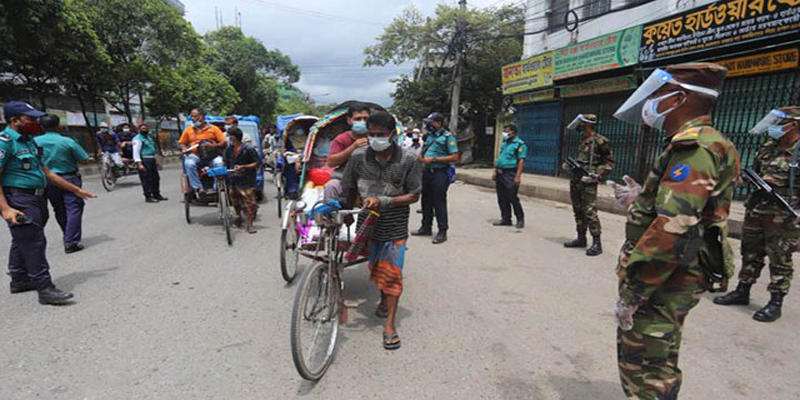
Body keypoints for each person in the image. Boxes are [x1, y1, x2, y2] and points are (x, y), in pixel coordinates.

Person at [609, 63, 739, 399]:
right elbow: (689, 207)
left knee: (646, 368)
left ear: (677, 98)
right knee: (661, 357)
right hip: (676, 272)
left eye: (656, 95)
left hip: (665, 277)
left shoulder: (695, 148)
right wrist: (644, 198)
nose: (650, 103)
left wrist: (633, 294)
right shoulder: (709, 142)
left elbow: (674, 228)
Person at [339, 111, 422, 350]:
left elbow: (414, 195)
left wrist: (384, 201)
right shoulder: (357, 157)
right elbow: (350, 189)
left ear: (393, 134)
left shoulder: (409, 160)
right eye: (372, 134)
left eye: (381, 135)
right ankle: (384, 298)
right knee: (375, 268)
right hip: (366, 225)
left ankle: (389, 325)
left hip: (395, 226)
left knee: (393, 274)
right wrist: (345, 216)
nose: (376, 139)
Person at [1, 101, 97, 305]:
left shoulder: (29, 141)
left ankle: (19, 279)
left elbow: (48, 173)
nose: (36, 122)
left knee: (23, 237)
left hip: (37, 197)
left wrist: (76, 190)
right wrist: (6, 208)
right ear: (14, 120)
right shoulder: (4, 142)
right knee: (34, 241)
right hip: (19, 198)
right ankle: (45, 288)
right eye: (31, 119)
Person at [713, 107, 800, 322]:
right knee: (750, 252)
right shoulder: (768, 147)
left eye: (780, 123)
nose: (774, 127)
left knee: (780, 258)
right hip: (757, 209)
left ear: (794, 125)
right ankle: (743, 290)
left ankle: (775, 302)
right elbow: (756, 173)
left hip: (784, 216)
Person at [35, 114, 89, 253]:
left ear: (41, 126)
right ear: (58, 126)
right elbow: (84, 158)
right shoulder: (67, 141)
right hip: (69, 178)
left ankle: (68, 235)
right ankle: (71, 242)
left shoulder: (34, 142)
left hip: (48, 180)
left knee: (59, 209)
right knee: (74, 208)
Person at [562, 114, 615, 256]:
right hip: (577, 178)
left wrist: (597, 175)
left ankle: (597, 242)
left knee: (589, 211)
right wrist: (569, 166)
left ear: (586, 124)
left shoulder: (601, 141)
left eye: (581, 123)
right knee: (577, 209)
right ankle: (581, 238)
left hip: (589, 181)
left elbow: (609, 162)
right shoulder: (584, 141)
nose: (578, 126)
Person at [412, 112, 458, 244]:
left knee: (439, 202)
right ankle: (425, 227)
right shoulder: (429, 136)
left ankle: (442, 231)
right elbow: (424, 149)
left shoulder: (448, 137)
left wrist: (433, 159)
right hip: (427, 172)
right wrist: (421, 157)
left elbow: (454, 157)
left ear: (438, 123)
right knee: (426, 201)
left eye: (430, 123)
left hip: (440, 172)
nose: (428, 125)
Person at [324, 103, 371, 199]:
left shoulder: (376, 136)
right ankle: (331, 213)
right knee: (331, 187)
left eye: (365, 119)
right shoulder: (341, 139)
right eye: (358, 119)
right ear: (349, 121)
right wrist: (353, 147)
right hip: (344, 176)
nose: (362, 122)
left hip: (371, 177)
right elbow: (331, 162)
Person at [179, 108, 226, 197]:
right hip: (196, 155)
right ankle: (198, 188)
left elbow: (223, 142)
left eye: (195, 116)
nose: (193, 119)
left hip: (212, 156)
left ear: (202, 116)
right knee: (189, 163)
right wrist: (184, 149)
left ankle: (217, 188)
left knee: (219, 163)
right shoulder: (189, 130)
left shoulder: (214, 129)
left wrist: (212, 146)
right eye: (192, 117)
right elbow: (182, 142)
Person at [223, 128, 260, 234]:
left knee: (249, 203)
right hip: (233, 179)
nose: (229, 138)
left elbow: (257, 163)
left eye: (230, 136)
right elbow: (225, 162)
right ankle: (239, 217)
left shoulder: (248, 149)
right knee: (235, 201)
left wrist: (244, 166)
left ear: (234, 137)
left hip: (246, 180)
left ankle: (250, 224)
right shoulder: (228, 149)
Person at [492, 124, 527, 229]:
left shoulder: (520, 144)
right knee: (502, 197)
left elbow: (521, 161)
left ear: (513, 132)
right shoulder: (504, 143)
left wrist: (518, 176)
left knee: (512, 197)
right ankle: (506, 218)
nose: (505, 134)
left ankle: (520, 219)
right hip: (500, 172)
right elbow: (500, 157)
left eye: (507, 131)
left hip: (510, 173)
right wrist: (495, 171)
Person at [133, 124, 166, 203]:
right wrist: (139, 163)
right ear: (139, 130)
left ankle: (156, 194)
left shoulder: (149, 137)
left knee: (155, 178)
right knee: (146, 179)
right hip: (144, 160)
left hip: (152, 159)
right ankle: (148, 196)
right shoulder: (137, 139)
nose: (144, 130)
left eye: (146, 128)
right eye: (143, 128)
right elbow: (136, 152)